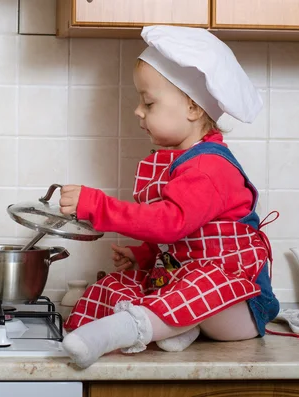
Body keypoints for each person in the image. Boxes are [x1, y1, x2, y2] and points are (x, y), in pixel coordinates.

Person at [58, 25, 280, 369]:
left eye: (148, 102)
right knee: (123, 283)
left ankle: (121, 332)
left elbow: (171, 223)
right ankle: (176, 328)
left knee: (193, 282)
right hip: (196, 291)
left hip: (240, 307)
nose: (138, 111)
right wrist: (143, 255)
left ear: (192, 107)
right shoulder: (176, 162)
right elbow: (187, 234)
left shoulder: (209, 167)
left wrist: (98, 205)